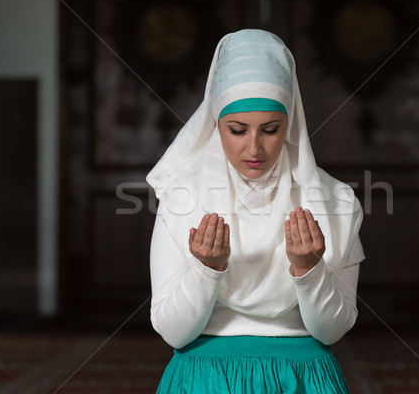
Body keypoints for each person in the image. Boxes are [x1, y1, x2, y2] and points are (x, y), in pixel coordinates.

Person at [146, 29, 365, 393]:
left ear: (290, 124)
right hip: (205, 380)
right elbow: (172, 331)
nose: (254, 148)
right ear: (217, 124)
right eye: (237, 129)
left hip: (302, 379)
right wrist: (207, 270)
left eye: (269, 129)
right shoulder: (182, 197)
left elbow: (332, 330)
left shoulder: (336, 202)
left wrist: (309, 270)